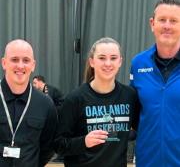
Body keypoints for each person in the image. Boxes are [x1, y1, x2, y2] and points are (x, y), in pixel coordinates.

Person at [56, 37, 138, 167]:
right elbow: (59, 144)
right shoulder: (75, 99)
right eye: (102, 58)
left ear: (120, 62)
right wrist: (84, 142)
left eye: (113, 58)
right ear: (92, 62)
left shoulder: (129, 96)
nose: (108, 63)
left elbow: (142, 129)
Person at [130, 0, 180, 166]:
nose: (167, 25)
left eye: (173, 21)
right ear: (152, 24)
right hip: (147, 161)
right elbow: (134, 114)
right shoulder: (138, 64)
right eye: (162, 20)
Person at [0, 39, 58, 167]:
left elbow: (47, 147)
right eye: (14, 59)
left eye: (26, 60)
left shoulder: (46, 104)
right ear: (4, 63)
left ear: (33, 65)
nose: (20, 66)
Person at [32, 75, 64, 163]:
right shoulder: (38, 92)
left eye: (35, 83)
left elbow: (62, 104)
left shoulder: (51, 90)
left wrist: (53, 113)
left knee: (57, 138)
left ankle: (60, 156)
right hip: (45, 120)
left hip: (57, 119)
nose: (33, 85)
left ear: (40, 82)